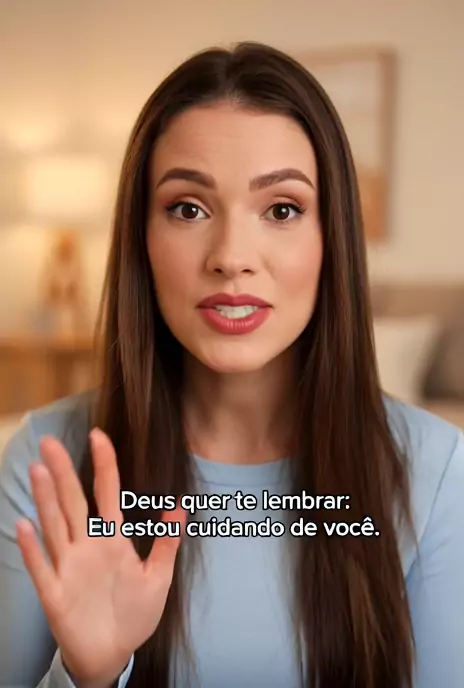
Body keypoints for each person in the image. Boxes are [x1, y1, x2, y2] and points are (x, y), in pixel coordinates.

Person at [0, 41, 463, 688]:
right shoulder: (45, 462)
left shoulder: (437, 475)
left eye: (282, 210)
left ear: (331, 239)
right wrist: (88, 673)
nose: (231, 257)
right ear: (141, 236)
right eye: (188, 209)